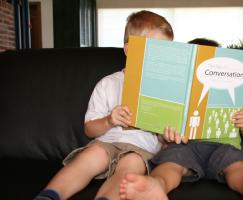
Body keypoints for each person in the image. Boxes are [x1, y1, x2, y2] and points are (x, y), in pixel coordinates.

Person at [119, 38, 243, 200]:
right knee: (171, 163)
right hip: (185, 146)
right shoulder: (179, 97)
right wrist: (166, 136)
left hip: (223, 148)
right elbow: (163, 137)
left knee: (236, 165)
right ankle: (157, 186)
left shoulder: (234, 97)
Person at [34, 10, 174, 200]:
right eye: (154, 50)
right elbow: (89, 129)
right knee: (89, 157)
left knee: (130, 167)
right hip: (107, 142)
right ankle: (49, 196)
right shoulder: (108, 83)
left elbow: (163, 143)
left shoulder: (165, 90)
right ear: (129, 50)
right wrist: (109, 120)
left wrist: (167, 138)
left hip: (140, 150)